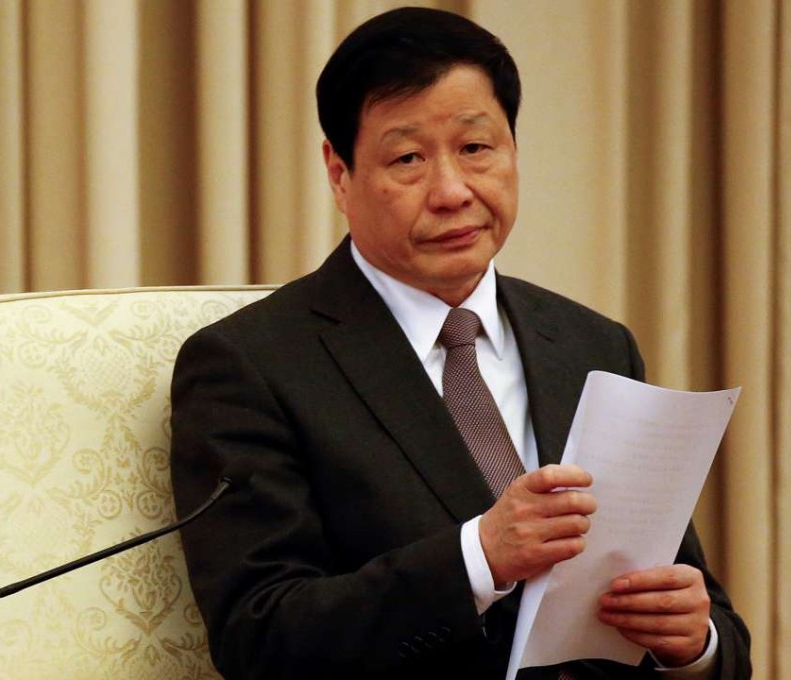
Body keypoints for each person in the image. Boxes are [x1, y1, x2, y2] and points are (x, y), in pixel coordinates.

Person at [170, 7, 751, 679]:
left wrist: (694, 644)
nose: (452, 192)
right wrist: (479, 557)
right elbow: (260, 637)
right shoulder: (251, 365)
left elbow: (705, 614)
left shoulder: (594, 343)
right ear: (339, 173)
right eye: (408, 158)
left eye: (476, 149)